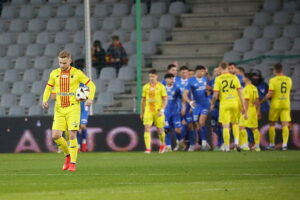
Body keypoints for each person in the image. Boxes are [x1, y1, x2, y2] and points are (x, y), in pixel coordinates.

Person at [42, 50, 96, 171]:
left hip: (73, 108)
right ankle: (67, 156)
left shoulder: (77, 73)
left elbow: (91, 85)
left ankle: (73, 163)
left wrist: (90, 98)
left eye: (64, 63)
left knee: (72, 134)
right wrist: (44, 100)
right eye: (60, 62)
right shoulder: (54, 73)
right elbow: (48, 88)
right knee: (55, 136)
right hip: (59, 109)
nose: (62, 65)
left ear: (70, 61)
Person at [210, 62, 245, 152]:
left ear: (221, 69)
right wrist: (244, 106)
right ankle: (237, 143)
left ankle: (226, 146)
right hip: (234, 103)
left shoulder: (218, 79)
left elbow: (215, 95)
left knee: (225, 126)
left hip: (224, 104)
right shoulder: (234, 77)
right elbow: (240, 93)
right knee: (235, 123)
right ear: (228, 68)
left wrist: (212, 104)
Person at [261, 63, 292, 151]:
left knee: (272, 124)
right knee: (285, 124)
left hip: (276, 104)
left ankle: (271, 144)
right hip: (286, 104)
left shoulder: (273, 80)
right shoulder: (289, 79)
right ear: (282, 70)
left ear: (274, 70)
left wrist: (261, 101)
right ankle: (285, 145)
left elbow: (270, 93)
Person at [140, 69, 168, 154]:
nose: (151, 78)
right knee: (147, 128)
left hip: (158, 111)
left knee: (160, 129)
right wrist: (142, 112)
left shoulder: (161, 86)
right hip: (148, 111)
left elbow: (165, 99)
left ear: (156, 76)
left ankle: (163, 144)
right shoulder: (145, 87)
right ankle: (148, 149)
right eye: (150, 76)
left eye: (153, 76)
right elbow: (143, 100)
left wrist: (162, 110)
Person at [183, 65, 210, 150]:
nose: (203, 73)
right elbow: (184, 94)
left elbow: (210, 88)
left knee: (201, 121)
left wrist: (209, 91)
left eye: (203, 71)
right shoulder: (191, 81)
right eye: (201, 71)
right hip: (196, 105)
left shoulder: (205, 79)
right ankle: (195, 143)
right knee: (196, 125)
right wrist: (190, 102)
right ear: (197, 71)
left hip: (205, 104)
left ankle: (204, 142)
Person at [239, 73, 262, 152]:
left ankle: (245, 145)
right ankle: (257, 146)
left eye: (243, 77)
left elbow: (246, 101)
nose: (242, 78)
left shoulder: (246, 89)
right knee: (254, 128)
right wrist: (258, 111)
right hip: (253, 110)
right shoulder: (254, 88)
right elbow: (257, 101)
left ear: (246, 79)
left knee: (241, 126)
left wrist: (245, 111)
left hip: (248, 109)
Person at [176, 66, 195, 151]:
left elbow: (195, 95)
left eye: (186, 72)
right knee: (179, 126)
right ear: (180, 73)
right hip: (179, 107)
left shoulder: (191, 82)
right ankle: (181, 142)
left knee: (190, 126)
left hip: (189, 107)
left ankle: (191, 145)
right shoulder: (177, 82)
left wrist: (192, 106)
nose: (184, 74)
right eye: (182, 72)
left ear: (188, 73)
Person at [163, 73, 183, 151]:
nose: (172, 80)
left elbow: (182, 99)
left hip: (175, 112)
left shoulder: (177, 89)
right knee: (166, 129)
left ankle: (180, 142)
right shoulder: (162, 89)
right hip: (166, 112)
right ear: (166, 80)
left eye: (173, 79)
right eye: (170, 79)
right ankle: (168, 146)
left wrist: (183, 107)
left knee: (177, 129)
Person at [207, 67, 223, 150]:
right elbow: (208, 92)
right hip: (215, 106)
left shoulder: (223, 80)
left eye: (218, 71)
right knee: (214, 127)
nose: (216, 72)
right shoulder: (212, 81)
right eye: (215, 71)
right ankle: (215, 145)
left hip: (222, 105)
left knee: (222, 126)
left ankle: (222, 143)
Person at [77, 84, 89, 152]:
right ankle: (78, 146)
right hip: (76, 108)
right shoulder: (73, 83)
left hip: (83, 108)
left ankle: (84, 142)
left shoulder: (84, 85)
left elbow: (87, 96)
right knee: (76, 128)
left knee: (83, 126)